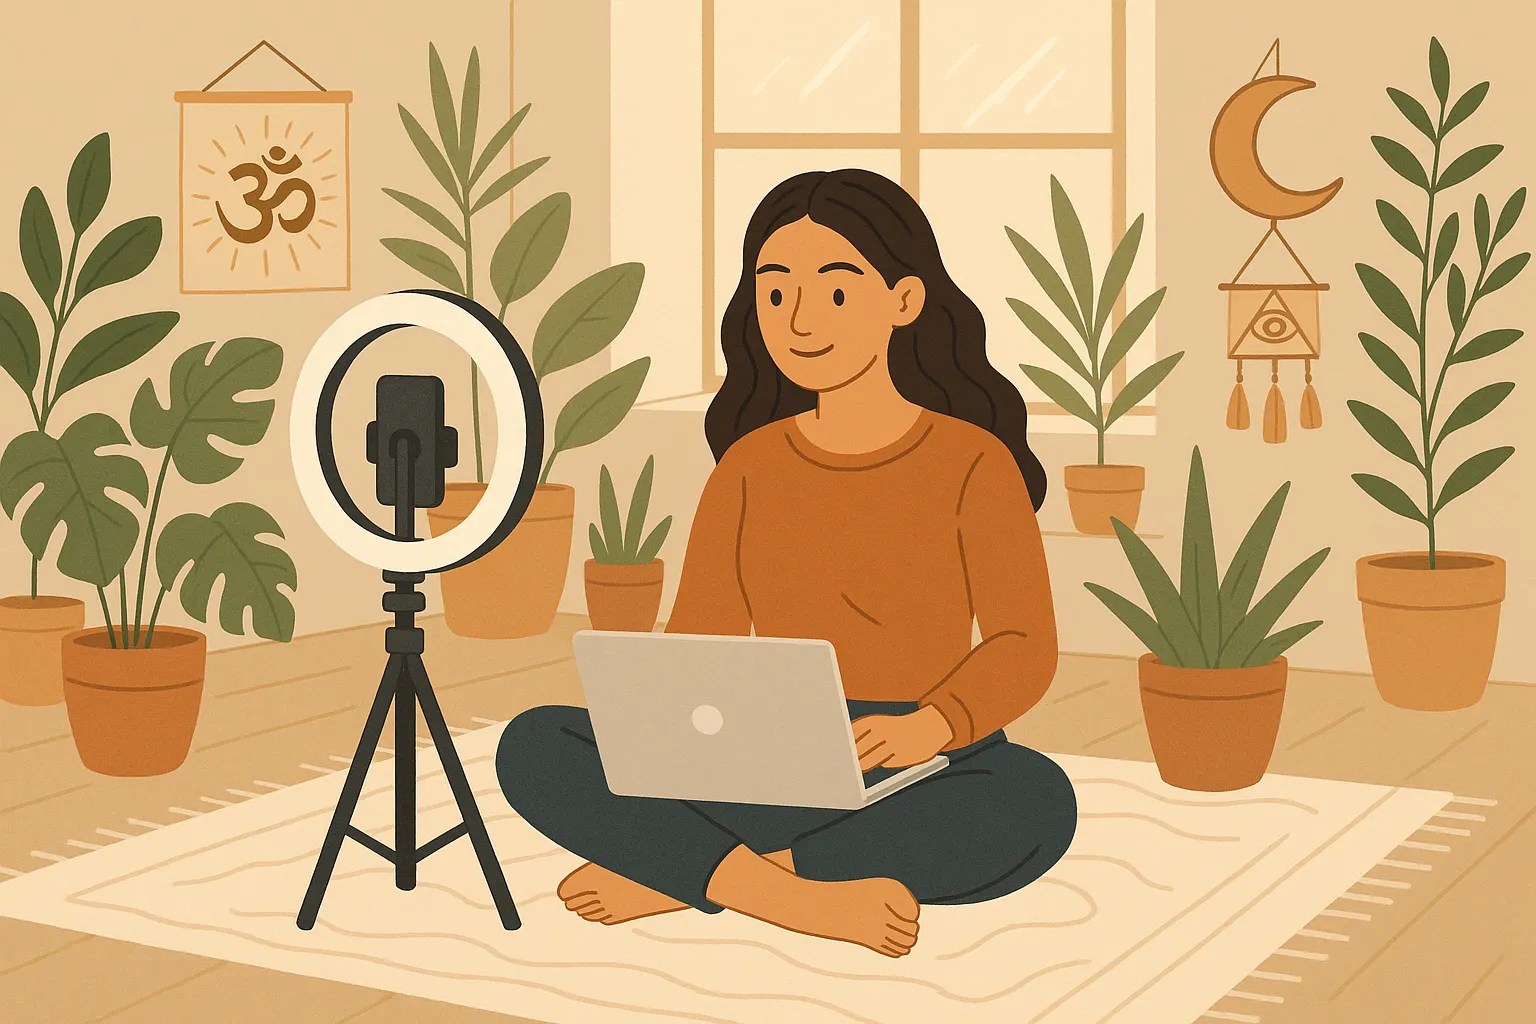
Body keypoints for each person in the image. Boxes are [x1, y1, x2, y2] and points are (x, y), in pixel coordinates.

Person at [497, 167, 1076, 958]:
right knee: (534, 744)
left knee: (1034, 802)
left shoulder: (973, 461)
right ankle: (787, 896)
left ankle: (688, 871)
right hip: (765, 749)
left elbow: (1024, 643)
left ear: (903, 302)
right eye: (775, 293)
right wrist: (667, 723)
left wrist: (935, 724)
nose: (799, 319)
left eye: (835, 292)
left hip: (916, 753)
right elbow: (703, 637)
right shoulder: (748, 465)